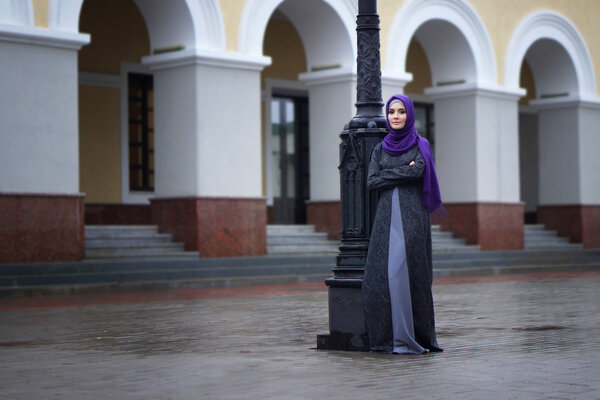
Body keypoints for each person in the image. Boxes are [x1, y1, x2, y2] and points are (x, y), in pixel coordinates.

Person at [362, 94, 443, 354]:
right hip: (386, 219)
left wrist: (389, 173)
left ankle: (416, 337)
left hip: (411, 218)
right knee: (381, 278)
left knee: (410, 275)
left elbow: (419, 170)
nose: (395, 116)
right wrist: (402, 170)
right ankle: (388, 339)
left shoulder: (421, 144)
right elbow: (371, 181)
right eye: (391, 112)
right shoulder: (380, 148)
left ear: (409, 114)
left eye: (401, 112)